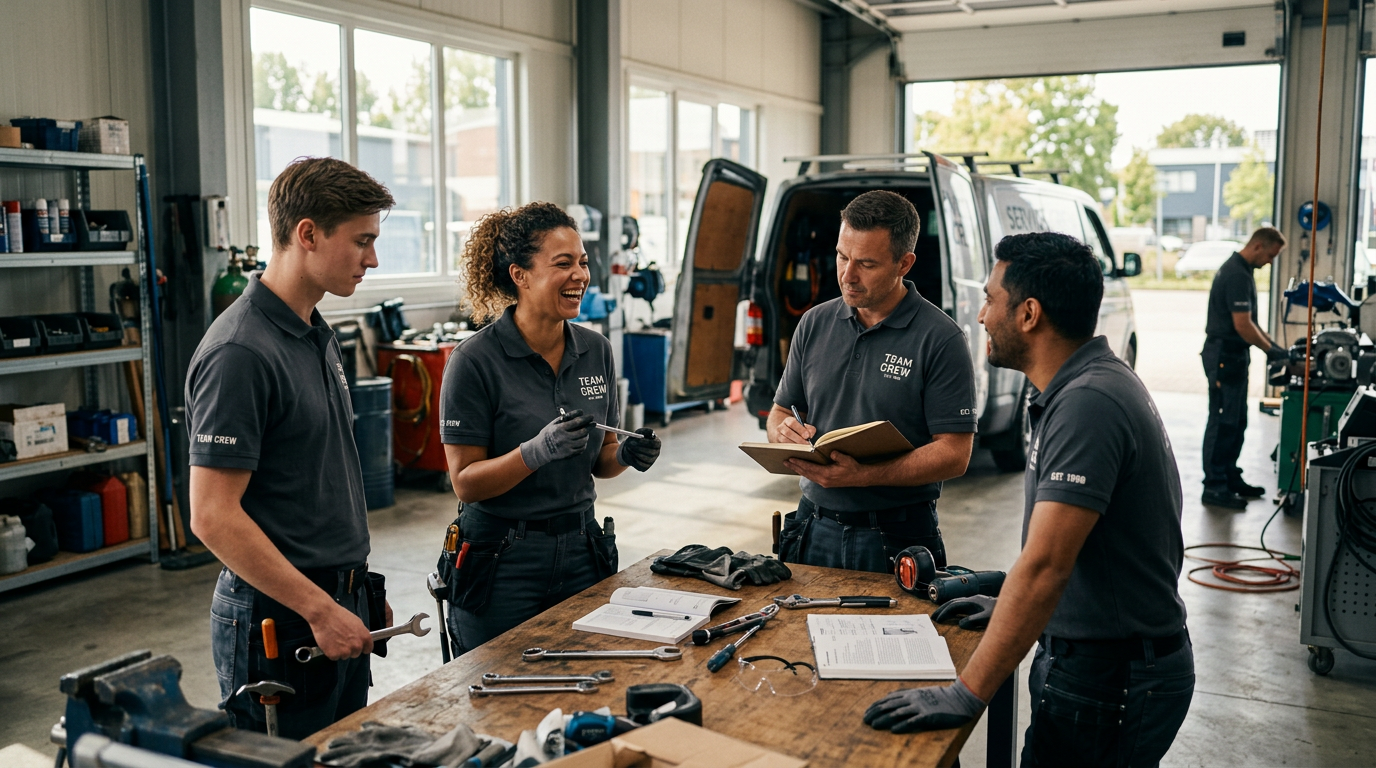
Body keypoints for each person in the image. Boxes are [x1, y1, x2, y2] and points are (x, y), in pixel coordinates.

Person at [864, 232, 1194, 767]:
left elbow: (1045, 567)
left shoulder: (1088, 404)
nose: (980, 316)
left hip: (1110, 678)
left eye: (991, 299)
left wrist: (964, 694)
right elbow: (1078, 552)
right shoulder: (1078, 388)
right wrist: (1007, 602)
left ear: (1029, 313)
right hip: (1091, 660)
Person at [187, 157, 396, 737]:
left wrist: (353, 592)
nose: (371, 259)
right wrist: (320, 607)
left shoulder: (314, 331)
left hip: (334, 601)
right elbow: (211, 515)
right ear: (308, 234)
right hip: (279, 621)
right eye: (361, 241)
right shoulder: (240, 353)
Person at [437, 202, 661, 657]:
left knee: (584, 677)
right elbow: (465, 483)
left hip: (582, 549)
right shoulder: (474, 361)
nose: (581, 274)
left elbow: (602, 458)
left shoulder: (595, 350)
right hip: (501, 558)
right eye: (563, 264)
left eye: (582, 262)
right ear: (520, 275)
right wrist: (534, 453)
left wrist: (625, 455)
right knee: (494, 691)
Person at [769, 190, 977, 573]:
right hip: (811, 527)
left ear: (905, 263)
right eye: (842, 257)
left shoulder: (940, 339)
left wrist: (865, 476)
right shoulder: (814, 323)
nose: (847, 276)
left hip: (897, 535)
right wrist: (782, 432)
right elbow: (781, 409)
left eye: (866, 263)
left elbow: (954, 453)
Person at [1200, 227, 1287, 509]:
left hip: (1233, 355)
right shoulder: (1237, 274)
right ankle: (1214, 486)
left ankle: (1229, 476)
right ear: (1259, 246)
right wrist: (1271, 351)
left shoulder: (1241, 270)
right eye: (1271, 255)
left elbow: (1250, 322)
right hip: (1225, 355)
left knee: (1237, 420)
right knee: (1223, 421)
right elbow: (1242, 325)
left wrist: (1275, 348)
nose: (1270, 262)